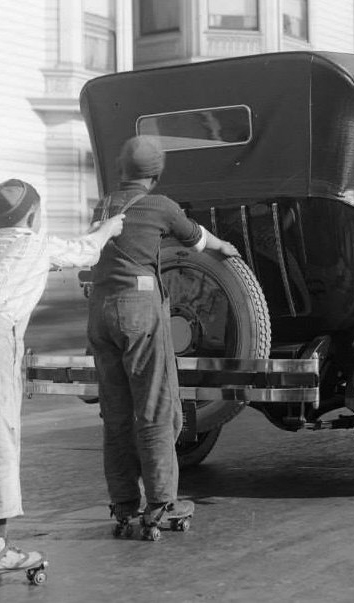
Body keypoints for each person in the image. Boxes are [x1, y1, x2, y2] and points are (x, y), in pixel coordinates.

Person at [0, 178, 125, 589]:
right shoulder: (36, 244)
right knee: (0, 443)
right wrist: (110, 228)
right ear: (34, 216)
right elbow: (85, 251)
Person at [88, 135, 239, 539]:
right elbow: (197, 239)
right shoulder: (162, 206)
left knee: (116, 413)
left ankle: (123, 503)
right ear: (155, 175)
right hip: (137, 311)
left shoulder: (103, 204)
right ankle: (160, 502)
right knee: (155, 405)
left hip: (99, 312)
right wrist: (225, 246)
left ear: (122, 169)